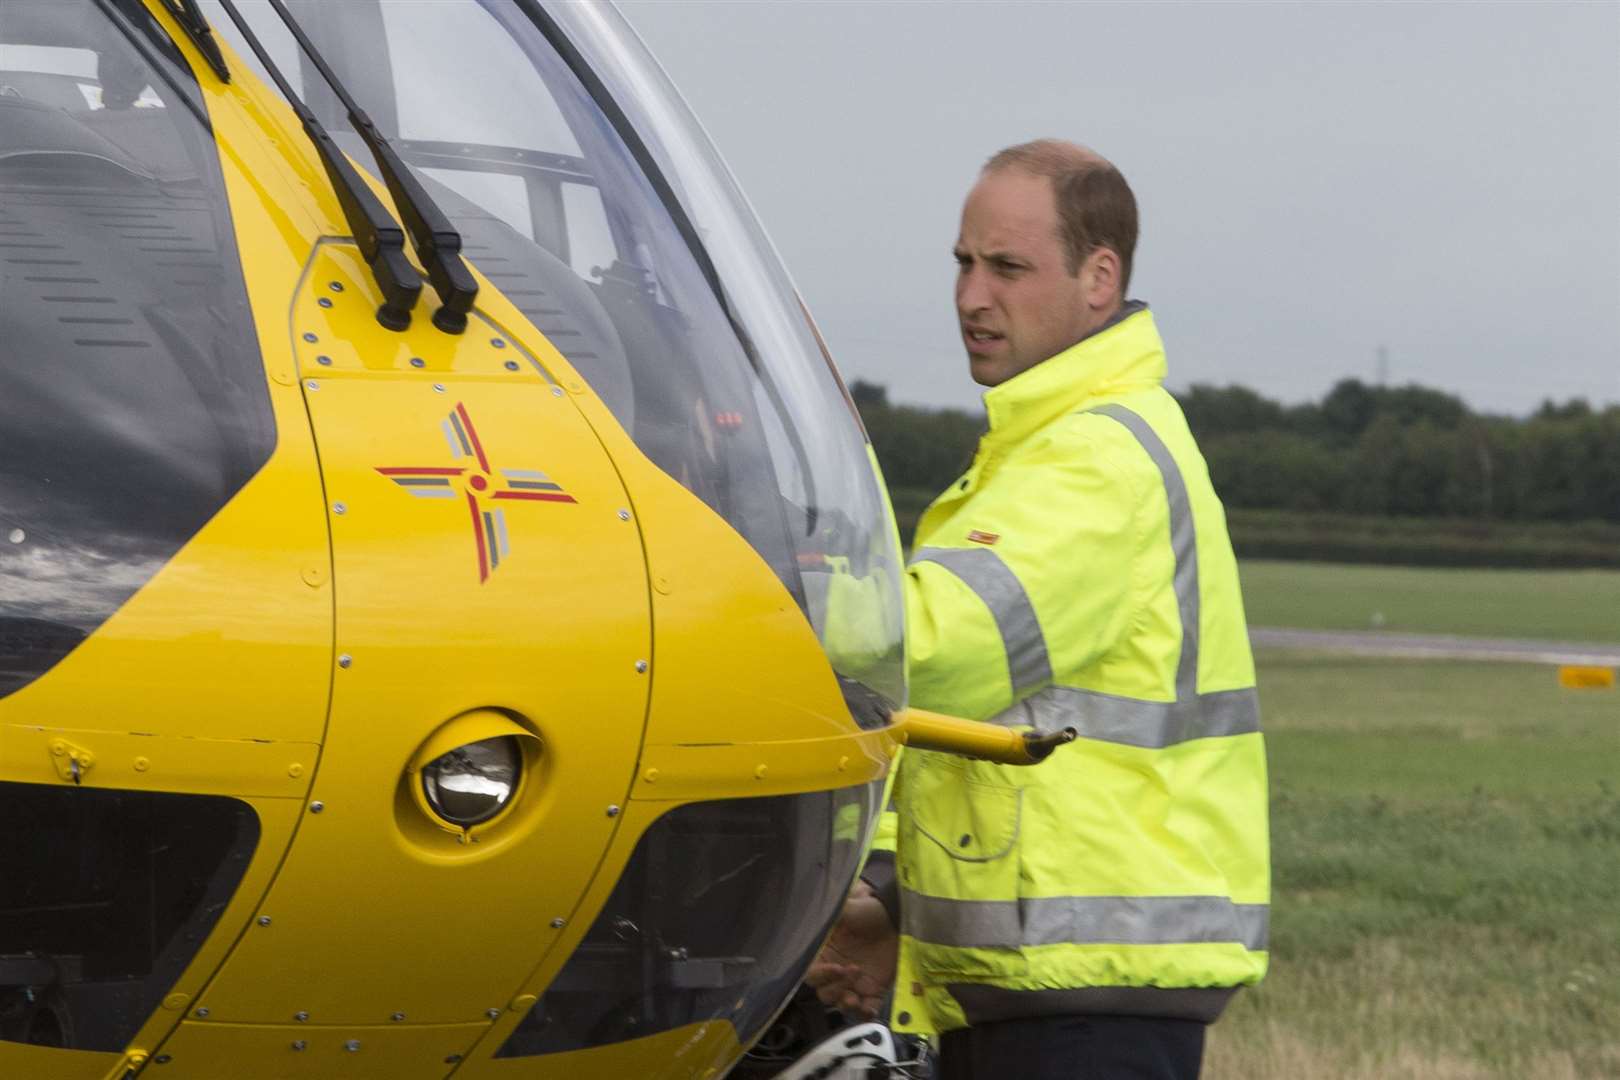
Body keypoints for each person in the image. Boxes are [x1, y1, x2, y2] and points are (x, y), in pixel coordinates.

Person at [807, 140, 1270, 1079]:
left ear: (1099, 279)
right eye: (963, 264)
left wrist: (766, 582)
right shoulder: (1036, 450)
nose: (972, 297)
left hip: (1085, 1017)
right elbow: (956, 723)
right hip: (1040, 1004)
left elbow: (928, 650)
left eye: (1007, 267)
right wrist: (891, 899)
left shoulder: (1097, 461)